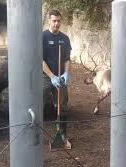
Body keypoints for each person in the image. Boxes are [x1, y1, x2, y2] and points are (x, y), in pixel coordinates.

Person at [43, 9, 71, 149]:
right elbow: (40, 60)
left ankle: (62, 136)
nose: (56, 24)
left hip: (60, 77)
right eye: (54, 21)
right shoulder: (42, 37)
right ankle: (33, 135)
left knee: (63, 105)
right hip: (45, 76)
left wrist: (65, 74)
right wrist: (51, 76)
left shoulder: (65, 38)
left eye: (58, 21)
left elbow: (66, 59)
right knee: (36, 102)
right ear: (49, 21)